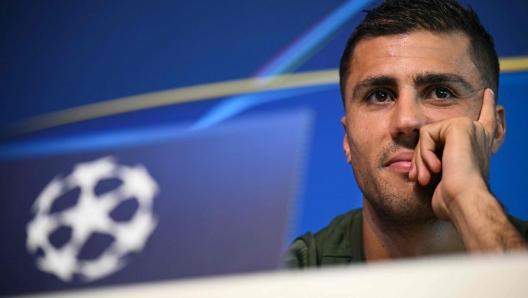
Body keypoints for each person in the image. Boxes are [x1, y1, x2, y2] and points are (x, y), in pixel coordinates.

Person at [286, 0, 528, 267]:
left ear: (495, 129)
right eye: (379, 96)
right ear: (347, 141)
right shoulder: (289, 278)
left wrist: (468, 198)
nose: (406, 120)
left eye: (440, 92)